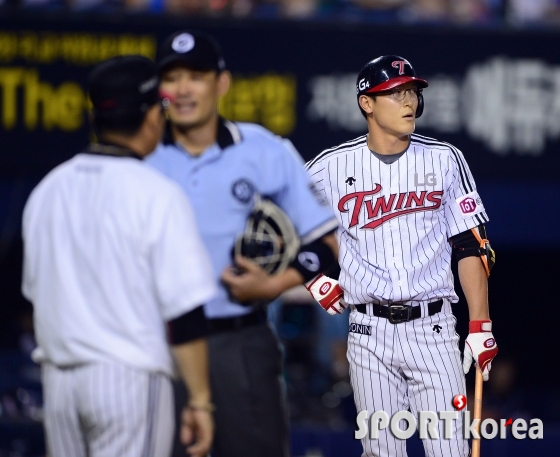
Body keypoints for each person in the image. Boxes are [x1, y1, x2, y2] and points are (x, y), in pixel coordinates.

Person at [146, 30, 339, 457]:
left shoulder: (264, 149)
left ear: (221, 82)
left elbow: (328, 242)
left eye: (195, 76)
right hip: (157, 344)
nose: (182, 89)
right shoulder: (141, 153)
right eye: (171, 77)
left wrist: (273, 286)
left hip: (238, 339)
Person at [21, 55, 217, 457]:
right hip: (127, 380)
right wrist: (199, 399)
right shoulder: (156, 193)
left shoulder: (47, 189)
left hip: (59, 384)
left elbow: (32, 295)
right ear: (150, 118)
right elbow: (184, 315)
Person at [305, 55, 499, 457]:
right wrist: (312, 275)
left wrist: (480, 323)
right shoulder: (331, 167)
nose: (409, 100)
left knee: (449, 451)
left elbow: (470, 244)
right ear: (367, 103)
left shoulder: (444, 158)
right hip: (367, 333)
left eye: (412, 91)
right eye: (395, 93)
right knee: (381, 453)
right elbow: (276, 216)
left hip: (434, 330)